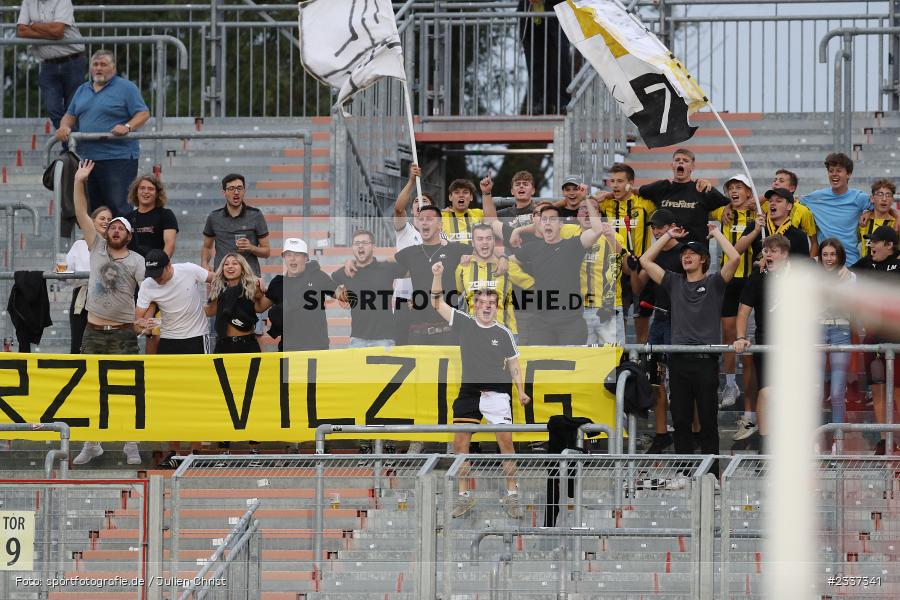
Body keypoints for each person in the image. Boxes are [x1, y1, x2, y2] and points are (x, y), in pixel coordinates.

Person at [430, 261, 530, 518]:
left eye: (491, 304)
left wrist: (520, 391)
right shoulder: (464, 323)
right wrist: (438, 276)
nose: (486, 307)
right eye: (481, 303)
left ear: (496, 307)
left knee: (505, 442)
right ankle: (464, 496)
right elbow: (437, 303)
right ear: (474, 305)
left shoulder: (504, 333)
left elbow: (515, 364)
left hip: (497, 393)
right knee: (460, 443)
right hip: (469, 393)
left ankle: (512, 494)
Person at [640, 223, 741, 474]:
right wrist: (667, 237)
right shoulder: (674, 281)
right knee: (681, 421)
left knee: (708, 422)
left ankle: (712, 475)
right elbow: (645, 260)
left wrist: (716, 233)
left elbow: (736, 257)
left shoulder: (715, 282)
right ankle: (684, 473)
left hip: (706, 361)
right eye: (684, 254)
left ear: (704, 260)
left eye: (692, 254)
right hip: (679, 360)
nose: (686, 256)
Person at [70, 160, 145, 466]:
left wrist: (145, 319)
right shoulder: (96, 247)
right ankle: (93, 442)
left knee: (127, 388)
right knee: (92, 387)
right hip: (94, 331)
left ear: (127, 235)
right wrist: (79, 181)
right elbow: (80, 212)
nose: (114, 229)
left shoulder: (138, 260)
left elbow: (148, 294)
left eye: (120, 228)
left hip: (124, 333)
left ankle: (131, 442)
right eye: (111, 225)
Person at [135, 250, 214, 468]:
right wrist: (144, 324)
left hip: (197, 338)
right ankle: (174, 451)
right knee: (171, 398)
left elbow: (217, 279)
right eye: (153, 274)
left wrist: (213, 303)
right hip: (169, 340)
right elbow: (137, 321)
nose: (157, 278)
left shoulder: (188, 269)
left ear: (169, 266)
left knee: (197, 397)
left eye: (160, 273)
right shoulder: (148, 284)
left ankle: (196, 449)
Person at [55, 50, 150, 217]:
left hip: (117, 158)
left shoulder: (126, 88)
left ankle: (124, 243)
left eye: (103, 64)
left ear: (113, 68)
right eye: (95, 64)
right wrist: (64, 127)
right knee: (94, 211)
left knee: (119, 208)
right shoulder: (82, 90)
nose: (98, 68)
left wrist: (127, 126)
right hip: (87, 159)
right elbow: (69, 116)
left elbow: (143, 113)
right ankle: (97, 244)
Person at [510, 200, 605, 345]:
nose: (548, 223)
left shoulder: (574, 244)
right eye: (544, 220)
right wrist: (528, 283)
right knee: (540, 363)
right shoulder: (531, 248)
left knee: (571, 364)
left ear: (561, 224)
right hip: (541, 322)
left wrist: (586, 199)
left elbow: (597, 230)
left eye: (553, 219)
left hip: (571, 321)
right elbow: (507, 261)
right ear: (540, 225)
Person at [734, 235, 794, 450]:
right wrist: (741, 337)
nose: (768, 254)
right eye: (766, 251)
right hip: (766, 343)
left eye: (774, 251)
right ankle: (765, 444)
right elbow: (743, 312)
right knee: (767, 392)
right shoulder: (757, 278)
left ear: (785, 255)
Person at [631, 209, 683, 453]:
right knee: (655, 379)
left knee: (683, 381)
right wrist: (631, 269)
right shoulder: (652, 255)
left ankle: (689, 432)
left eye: (660, 227)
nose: (656, 231)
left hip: (681, 322)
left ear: (672, 226)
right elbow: (638, 286)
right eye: (653, 228)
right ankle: (661, 433)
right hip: (659, 320)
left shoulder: (685, 251)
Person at [710, 174, 758, 409]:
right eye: (731, 188)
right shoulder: (723, 211)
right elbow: (705, 207)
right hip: (728, 280)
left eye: (739, 187)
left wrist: (757, 200)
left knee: (747, 338)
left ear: (749, 191)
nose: (734, 191)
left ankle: (749, 391)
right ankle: (730, 383)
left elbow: (791, 200)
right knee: (728, 335)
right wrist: (726, 204)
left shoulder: (759, 210)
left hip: (751, 280)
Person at [851, 225, 900, 453]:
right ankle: (884, 441)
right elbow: (841, 274)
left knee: (898, 391)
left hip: (897, 335)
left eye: (876, 242)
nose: (871, 245)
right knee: (878, 389)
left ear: (889, 245)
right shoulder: (865, 264)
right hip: (873, 336)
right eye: (870, 241)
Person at [394, 206, 474, 345]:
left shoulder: (455, 249)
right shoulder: (410, 253)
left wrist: (502, 258)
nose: (424, 222)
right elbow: (384, 266)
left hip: (448, 332)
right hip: (418, 332)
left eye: (430, 219)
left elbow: (487, 253)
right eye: (421, 219)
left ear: (440, 225)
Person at [596, 163, 658, 343]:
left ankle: (641, 364)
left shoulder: (644, 204)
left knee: (641, 323)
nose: (614, 185)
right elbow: (587, 200)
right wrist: (604, 195)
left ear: (630, 183)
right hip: (614, 271)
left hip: (640, 270)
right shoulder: (606, 203)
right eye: (612, 181)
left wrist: (636, 191)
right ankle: (620, 362)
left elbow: (662, 198)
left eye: (620, 181)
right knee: (617, 324)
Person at [16, 0, 86, 132]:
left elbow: (58, 31)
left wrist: (35, 25)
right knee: (52, 108)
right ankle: (72, 145)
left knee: (72, 109)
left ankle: (72, 148)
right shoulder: (28, 1)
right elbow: (21, 31)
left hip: (72, 60)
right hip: (47, 64)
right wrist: (50, 31)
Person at [257, 238, 337, 352]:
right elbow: (259, 307)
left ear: (306, 258)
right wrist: (256, 285)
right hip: (288, 349)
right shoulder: (278, 282)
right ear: (284, 258)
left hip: (317, 348)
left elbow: (342, 295)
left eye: (297, 255)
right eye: (288, 255)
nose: (292, 258)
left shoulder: (318, 276)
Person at [455, 223, 534, 338]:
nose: (485, 242)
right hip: (472, 334)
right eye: (480, 239)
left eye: (488, 238)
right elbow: (457, 296)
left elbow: (533, 286)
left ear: (494, 242)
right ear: (473, 243)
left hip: (504, 333)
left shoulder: (507, 266)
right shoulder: (463, 267)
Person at [638, 148, 729, 244]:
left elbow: (729, 203)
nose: (680, 162)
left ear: (692, 167)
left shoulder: (703, 189)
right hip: (666, 250)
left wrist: (728, 207)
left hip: (695, 252)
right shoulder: (661, 187)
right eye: (677, 160)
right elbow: (638, 191)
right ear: (672, 165)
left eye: (685, 161)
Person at [331, 230, 402, 348]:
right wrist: (342, 296)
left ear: (373, 246)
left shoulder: (386, 268)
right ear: (352, 247)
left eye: (364, 242)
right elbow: (327, 284)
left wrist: (387, 259)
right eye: (356, 243)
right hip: (357, 340)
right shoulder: (347, 271)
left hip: (384, 340)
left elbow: (413, 267)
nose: (360, 246)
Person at [801, 153, 871, 266]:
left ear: (848, 174)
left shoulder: (859, 197)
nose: (834, 174)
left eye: (839, 170)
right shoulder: (815, 198)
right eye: (831, 171)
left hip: (851, 263)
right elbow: (793, 204)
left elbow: (880, 207)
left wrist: (869, 212)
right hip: (825, 265)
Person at [817, 239, 855, 426]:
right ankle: (813, 441)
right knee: (815, 392)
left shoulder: (851, 277)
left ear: (840, 256)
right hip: (816, 329)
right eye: (825, 254)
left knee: (837, 392)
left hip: (841, 329)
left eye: (833, 254)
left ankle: (838, 444)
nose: (829, 259)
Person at [202, 173, 271, 276]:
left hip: (249, 278)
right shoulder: (214, 217)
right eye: (231, 188)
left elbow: (266, 252)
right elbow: (207, 247)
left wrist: (251, 247)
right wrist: (205, 263)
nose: (236, 192)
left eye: (240, 188)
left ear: (244, 191)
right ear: (224, 192)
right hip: (222, 278)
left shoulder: (256, 215)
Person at [66, 206, 112, 354]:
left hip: (107, 296)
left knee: (103, 343)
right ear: (92, 221)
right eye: (102, 218)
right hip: (82, 295)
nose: (106, 222)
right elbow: (67, 271)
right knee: (79, 342)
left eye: (109, 219)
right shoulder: (79, 245)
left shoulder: (116, 246)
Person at [518, 0, 571, 114]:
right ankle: (541, 103)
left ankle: (562, 103)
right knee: (535, 61)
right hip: (530, 16)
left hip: (556, 13)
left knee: (560, 58)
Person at [205, 253, 264, 353]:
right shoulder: (218, 289)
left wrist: (262, 282)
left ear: (242, 268)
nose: (230, 266)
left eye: (235, 263)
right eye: (226, 264)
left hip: (247, 344)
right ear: (222, 269)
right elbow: (210, 311)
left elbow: (263, 305)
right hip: (222, 345)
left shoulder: (253, 287)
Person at [738, 189, 810, 258]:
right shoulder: (758, 225)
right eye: (770, 201)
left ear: (789, 206)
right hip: (758, 271)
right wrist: (755, 231)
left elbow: (804, 266)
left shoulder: (799, 235)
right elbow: (737, 251)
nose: (772, 203)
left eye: (778, 201)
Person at [126, 174, 178, 258]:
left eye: (151, 189)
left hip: (155, 267)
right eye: (142, 188)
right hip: (131, 268)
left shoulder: (166, 215)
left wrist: (160, 267)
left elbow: (169, 245)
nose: (146, 192)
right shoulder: (127, 218)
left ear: (157, 193)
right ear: (136, 192)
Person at [441, 177, 496, 244]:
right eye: (456, 192)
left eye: (465, 192)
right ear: (450, 197)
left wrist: (486, 192)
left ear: (471, 197)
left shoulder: (478, 213)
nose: (461, 195)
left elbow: (493, 222)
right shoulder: (441, 216)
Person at [859, 179, 897, 259]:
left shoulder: (896, 223)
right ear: (872, 199)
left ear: (892, 200)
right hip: (865, 269)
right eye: (880, 194)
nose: (884, 199)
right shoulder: (863, 221)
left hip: (887, 270)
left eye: (888, 195)